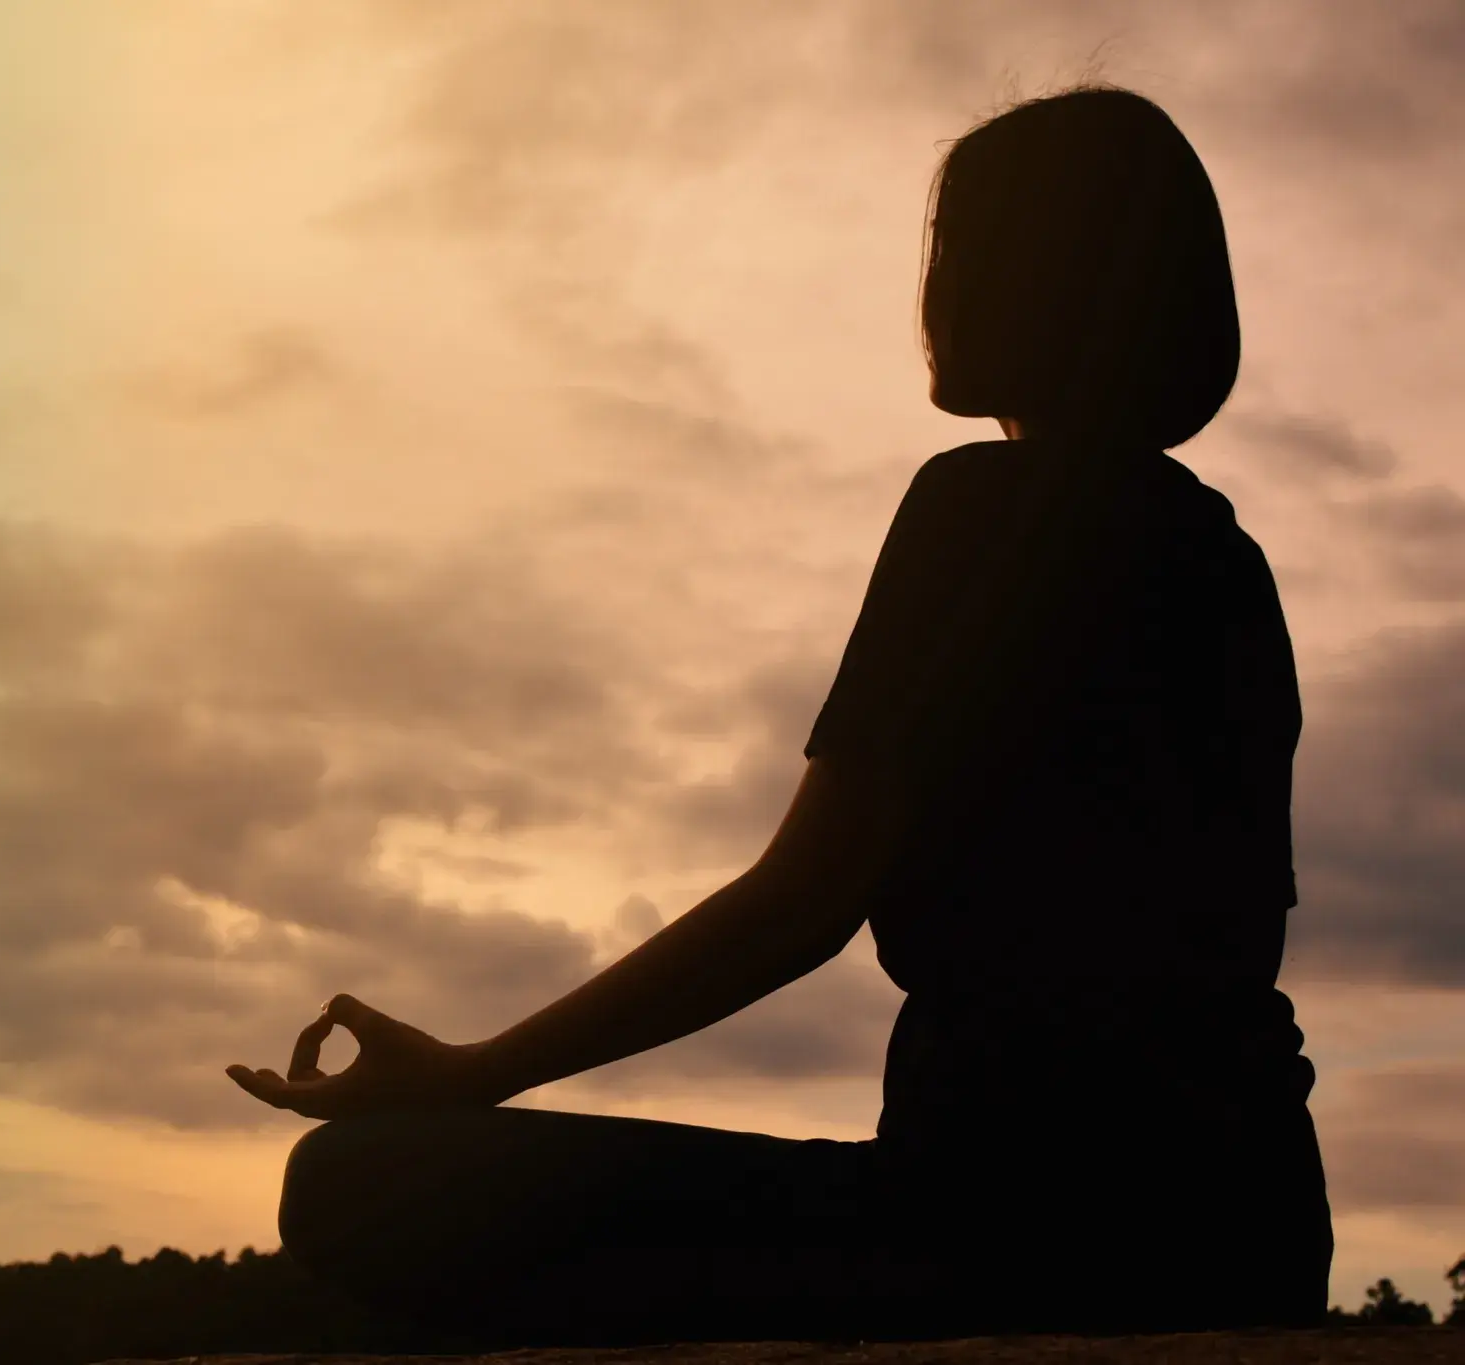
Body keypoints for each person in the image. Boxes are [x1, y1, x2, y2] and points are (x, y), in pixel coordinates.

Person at [225, 84, 1333, 1345]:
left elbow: (804, 898)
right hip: (1248, 1220)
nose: (932, 283)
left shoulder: (983, 509)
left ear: (1033, 278)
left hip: (1015, 1224)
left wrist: (475, 1073)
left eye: (957, 244)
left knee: (360, 1189)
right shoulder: (1223, 556)